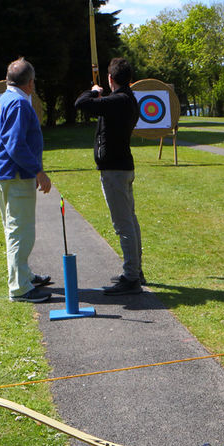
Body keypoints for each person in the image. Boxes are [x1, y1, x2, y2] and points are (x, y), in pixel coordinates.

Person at [74, 57, 144, 295]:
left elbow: (80, 104)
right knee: (130, 221)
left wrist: (94, 92)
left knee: (123, 224)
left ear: (110, 79)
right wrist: (103, 95)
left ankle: (132, 277)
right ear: (130, 79)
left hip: (115, 170)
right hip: (123, 167)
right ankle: (136, 270)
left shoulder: (118, 101)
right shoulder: (127, 100)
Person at [0, 57, 53, 302]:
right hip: (16, 176)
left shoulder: (5, 99)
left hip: (6, 174)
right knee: (20, 231)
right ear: (30, 83)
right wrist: (38, 171)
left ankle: (23, 275)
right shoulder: (18, 104)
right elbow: (16, 144)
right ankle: (19, 288)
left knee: (14, 229)